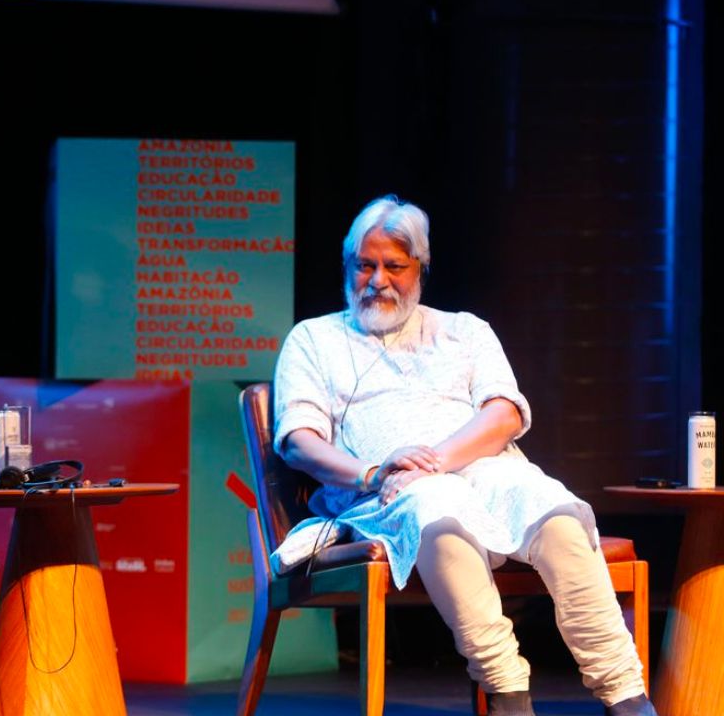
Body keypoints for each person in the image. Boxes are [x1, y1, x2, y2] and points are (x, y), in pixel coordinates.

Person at [272, 195, 654, 716]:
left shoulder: (464, 330)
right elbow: (298, 440)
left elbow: (505, 414)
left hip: (480, 470)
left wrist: (436, 459)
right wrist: (374, 472)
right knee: (438, 510)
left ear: (420, 268)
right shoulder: (314, 339)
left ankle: (626, 695)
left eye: (394, 267)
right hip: (385, 492)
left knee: (554, 509)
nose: (377, 280)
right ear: (347, 266)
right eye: (365, 265)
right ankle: (508, 693)